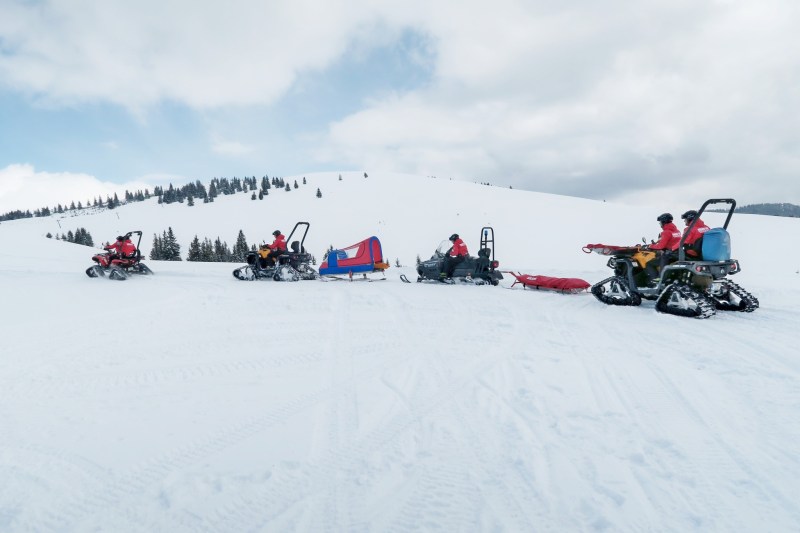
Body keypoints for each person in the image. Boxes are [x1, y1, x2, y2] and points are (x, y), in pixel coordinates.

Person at [644, 213, 682, 283]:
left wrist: (650, 246)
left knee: (648, 264)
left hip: (669, 255)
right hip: (677, 253)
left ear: (663, 222)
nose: (660, 224)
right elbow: (673, 242)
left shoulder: (666, 232)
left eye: (660, 222)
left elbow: (661, 246)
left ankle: (657, 279)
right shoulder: (677, 231)